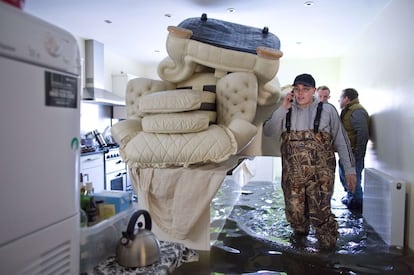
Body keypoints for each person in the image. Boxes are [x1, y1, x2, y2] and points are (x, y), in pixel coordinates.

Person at [263, 73, 357, 250]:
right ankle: (298, 251)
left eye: (305, 89)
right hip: (292, 177)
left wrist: (350, 170)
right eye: (297, 89)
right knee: (295, 214)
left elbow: (341, 141)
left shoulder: (328, 110)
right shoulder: (285, 109)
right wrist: (282, 108)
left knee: (321, 215)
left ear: (313, 91)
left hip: (321, 176)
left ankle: (328, 256)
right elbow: (268, 131)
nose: (300, 94)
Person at [338, 88, 369, 213]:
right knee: (346, 177)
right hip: (348, 152)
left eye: (341, 97)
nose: (339, 100)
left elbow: (363, 134)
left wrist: (357, 153)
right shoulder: (349, 111)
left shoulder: (357, 111)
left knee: (354, 179)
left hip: (353, 153)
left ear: (346, 98)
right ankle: (351, 198)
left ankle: (357, 208)